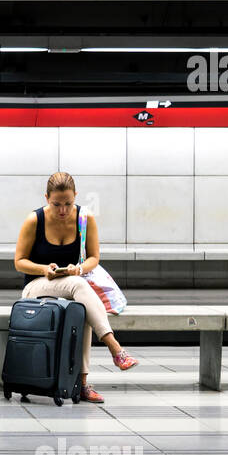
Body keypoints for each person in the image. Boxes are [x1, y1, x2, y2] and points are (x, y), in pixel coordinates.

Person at [14, 171, 137, 403]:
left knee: (81, 309)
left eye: (68, 204)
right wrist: (43, 269)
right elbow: (19, 261)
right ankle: (114, 347)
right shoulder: (35, 220)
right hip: (36, 287)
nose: (63, 210)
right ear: (46, 198)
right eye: (56, 204)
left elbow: (94, 258)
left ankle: (81, 384)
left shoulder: (84, 218)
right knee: (79, 288)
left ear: (76, 197)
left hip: (73, 284)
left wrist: (78, 268)